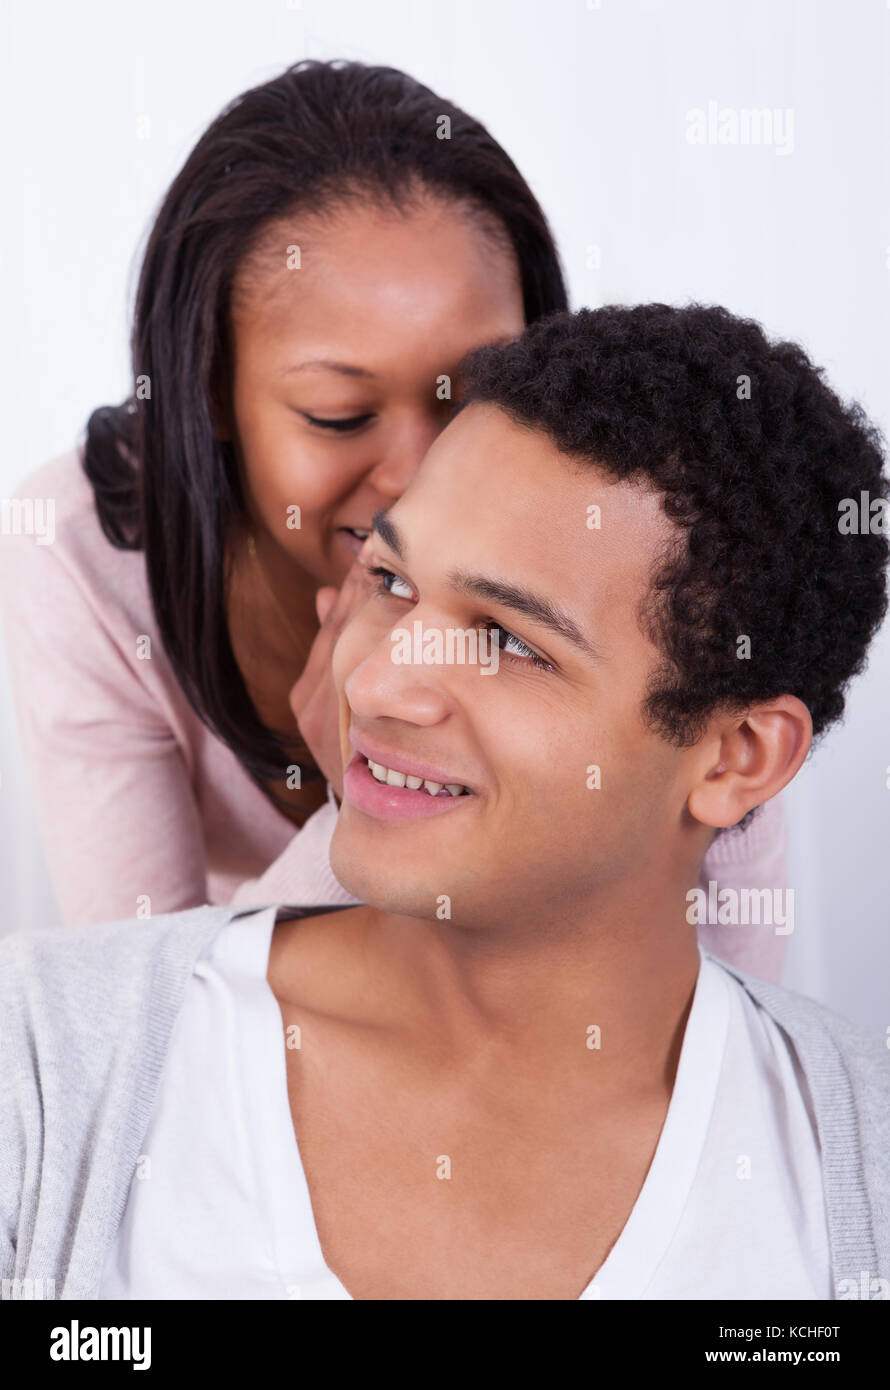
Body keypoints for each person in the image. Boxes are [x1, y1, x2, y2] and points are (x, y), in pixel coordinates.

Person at [2, 304, 887, 1301]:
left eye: (507, 640)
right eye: (388, 578)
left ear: (735, 757)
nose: (376, 683)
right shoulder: (39, 1064)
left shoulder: (850, 1159)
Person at [0, 60, 786, 981]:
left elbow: (727, 1013)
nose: (419, 477)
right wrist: (364, 796)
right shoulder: (78, 555)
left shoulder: (655, 543)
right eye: (339, 416)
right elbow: (132, 1016)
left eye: (480, 392)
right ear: (207, 391)